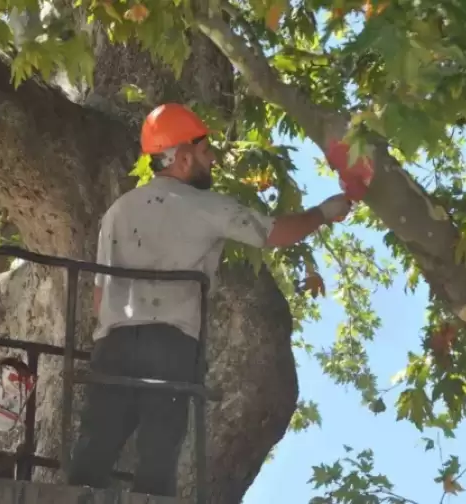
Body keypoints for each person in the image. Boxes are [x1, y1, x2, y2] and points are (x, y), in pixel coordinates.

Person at [68, 103, 352, 496]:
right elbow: (275, 233)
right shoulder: (204, 205)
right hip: (170, 344)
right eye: (205, 152)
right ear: (182, 158)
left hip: (113, 342)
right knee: (158, 453)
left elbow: (100, 295)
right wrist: (323, 212)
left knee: (94, 447)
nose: (213, 159)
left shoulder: (117, 211)